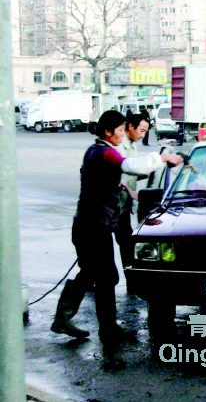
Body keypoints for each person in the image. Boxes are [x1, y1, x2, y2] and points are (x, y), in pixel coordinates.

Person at [50, 110, 183, 346]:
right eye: (119, 130)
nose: (122, 135)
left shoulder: (96, 152)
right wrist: (162, 158)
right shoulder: (104, 152)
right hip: (93, 228)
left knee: (94, 274)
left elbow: (110, 180)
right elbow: (131, 166)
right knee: (104, 277)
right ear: (107, 131)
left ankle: (68, 319)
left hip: (91, 225)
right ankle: (107, 330)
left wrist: (124, 190)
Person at [115, 113, 150, 291]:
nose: (143, 135)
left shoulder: (133, 146)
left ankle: (131, 281)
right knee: (119, 243)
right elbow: (122, 171)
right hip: (112, 206)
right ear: (130, 127)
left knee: (126, 242)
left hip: (124, 206)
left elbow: (134, 172)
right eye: (142, 131)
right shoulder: (119, 145)